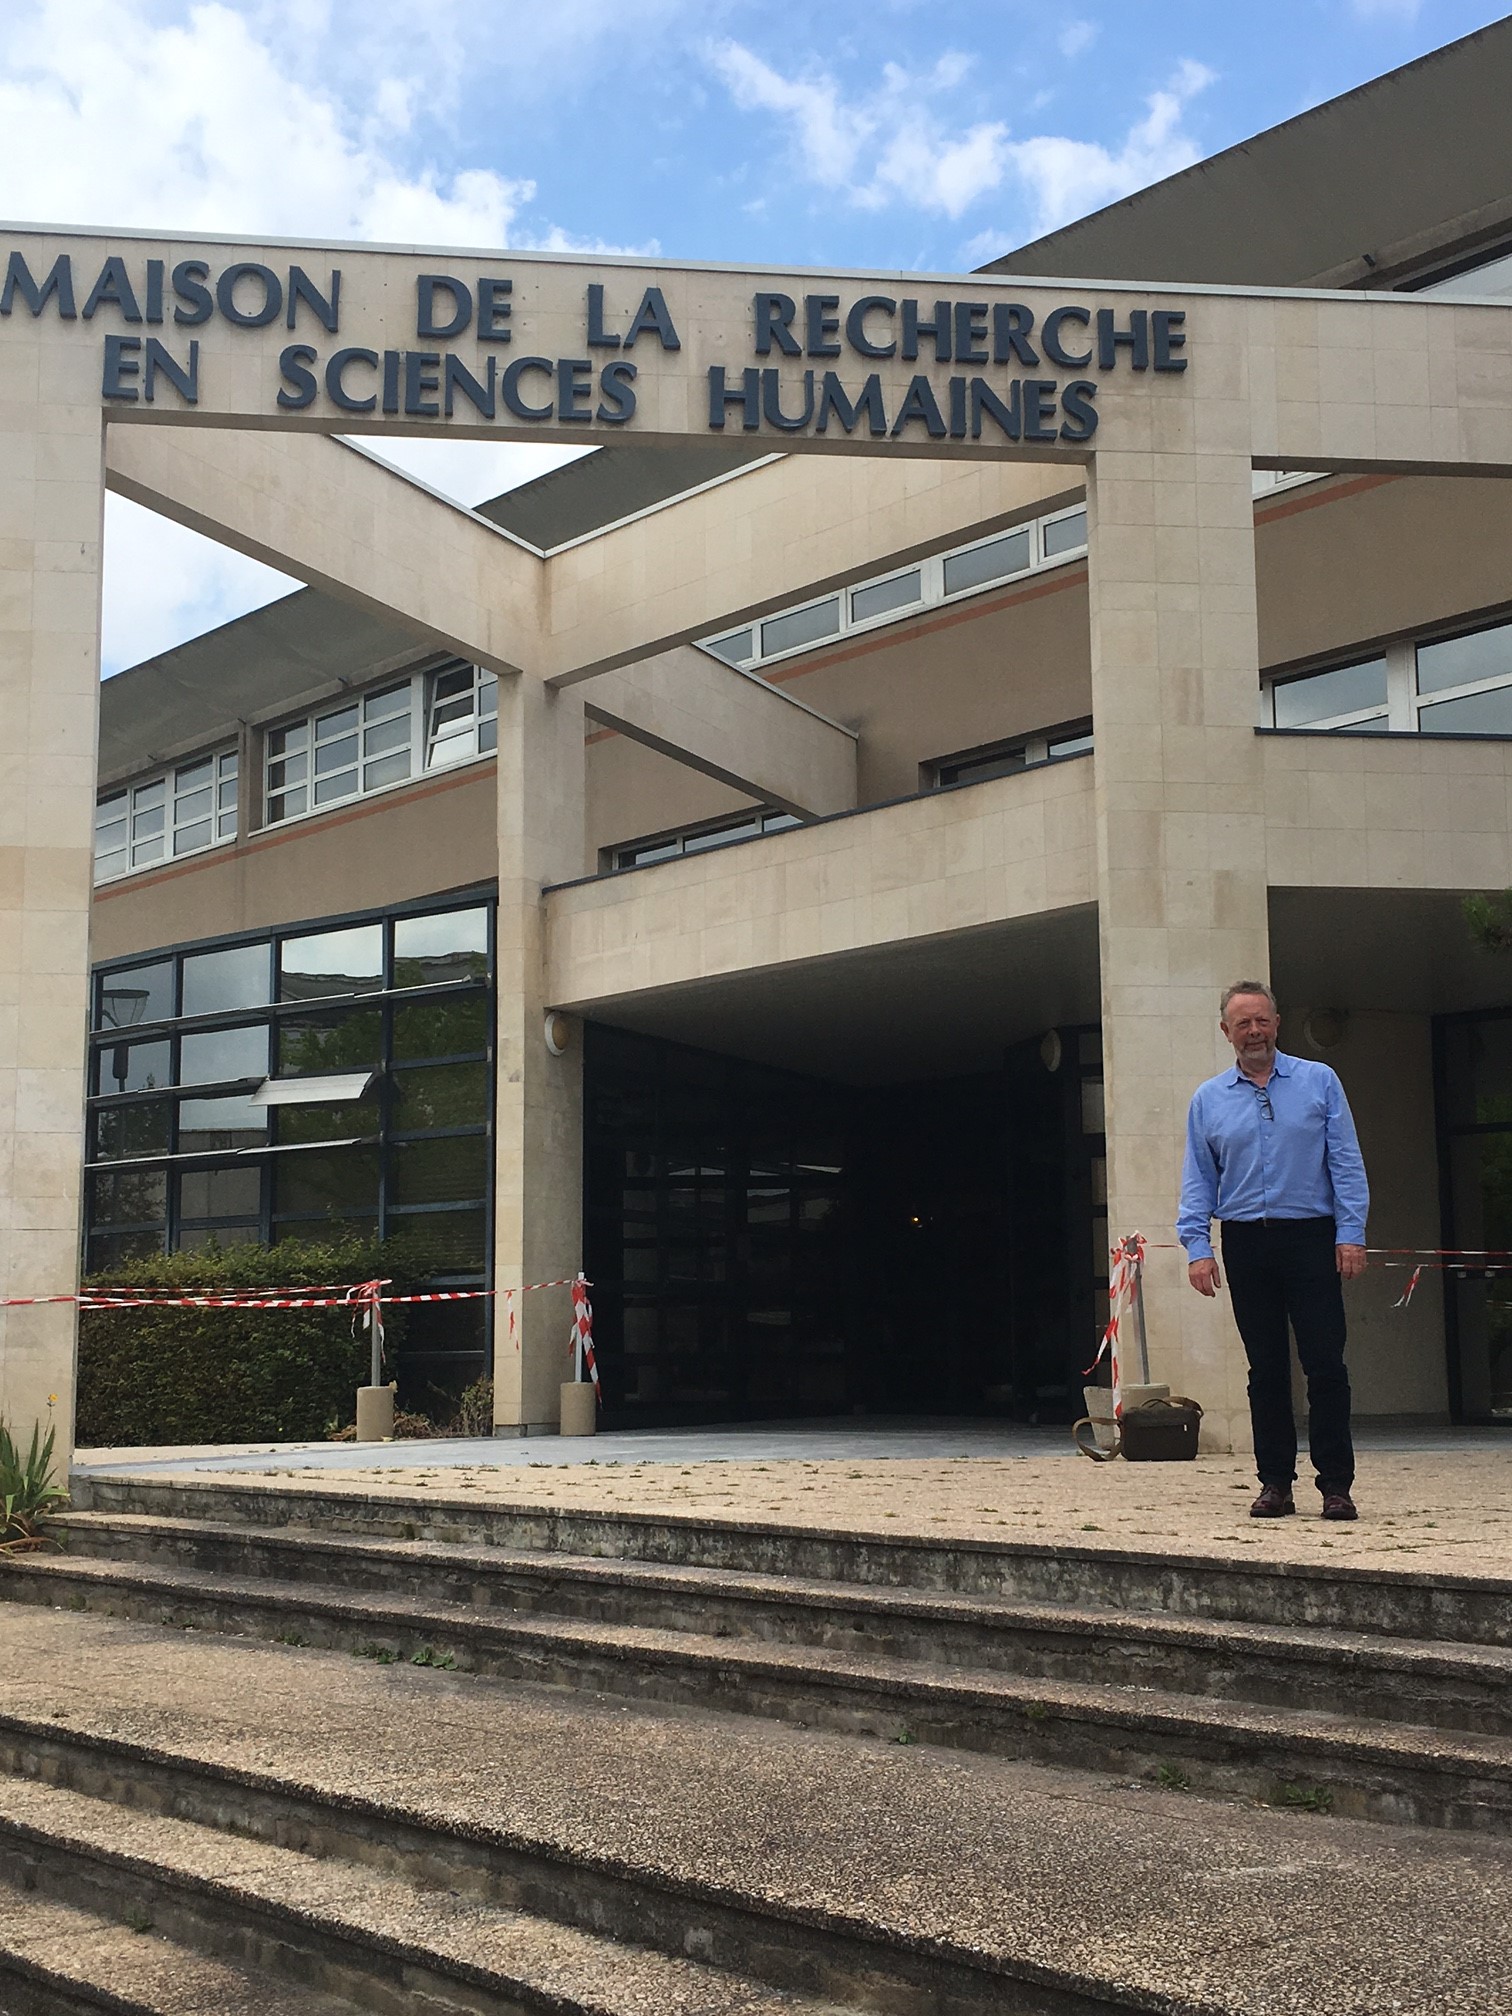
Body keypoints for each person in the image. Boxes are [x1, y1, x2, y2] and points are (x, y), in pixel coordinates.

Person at [1177, 982, 1368, 1521]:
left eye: (1261, 1021)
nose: (1254, 1031)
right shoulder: (1208, 1099)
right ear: (1226, 1032)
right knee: (1265, 1368)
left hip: (1311, 1236)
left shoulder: (1319, 1082)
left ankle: (1335, 1484)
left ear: (1277, 1023)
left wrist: (1350, 1233)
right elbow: (1198, 1178)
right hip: (1246, 1240)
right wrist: (1197, 1246)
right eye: (1243, 1024)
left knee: (1325, 1363)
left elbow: (1346, 1164)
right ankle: (1275, 1483)